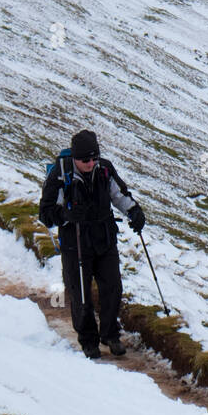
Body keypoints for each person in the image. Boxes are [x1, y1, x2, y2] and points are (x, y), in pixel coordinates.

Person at [38, 129, 146, 358]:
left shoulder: (105, 169)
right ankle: (88, 340)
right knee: (80, 293)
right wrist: (66, 214)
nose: (90, 163)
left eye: (94, 158)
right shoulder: (61, 174)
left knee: (113, 287)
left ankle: (110, 334)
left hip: (104, 237)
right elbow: (46, 212)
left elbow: (119, 195)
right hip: (74, 242)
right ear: (75, 158)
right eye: (85, 159)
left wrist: (134, 211)